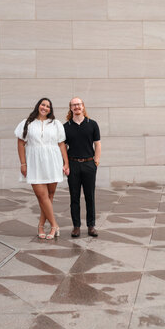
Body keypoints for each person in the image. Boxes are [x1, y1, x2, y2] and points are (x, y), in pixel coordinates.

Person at [15, 97, 69, 240]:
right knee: (41, 196)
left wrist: (66, 163)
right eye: (43, 104)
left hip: (53, 161)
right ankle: (54, 225)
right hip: (34, 163)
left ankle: (40, 225)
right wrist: (23, 163)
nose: (45, 107)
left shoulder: (56, 124)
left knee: (49, 196)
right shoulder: (27, 123)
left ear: (50, 109)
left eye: (48, 106)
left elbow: (61, 144)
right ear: (38, 106)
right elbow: (21, 144)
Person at [64, 97, 101, 238]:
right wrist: (66, 164)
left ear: (83, 106)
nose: (76, 107)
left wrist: (95, 163)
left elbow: (97, 144)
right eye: (74, 105)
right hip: (73, 165)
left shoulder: (92, 124)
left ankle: (91, 226)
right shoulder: (65, 127)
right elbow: (63, 147)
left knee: (90, 196)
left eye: (78, 104)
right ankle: (76, 226)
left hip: (89, 164)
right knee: (74, 197)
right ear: (71, 108)